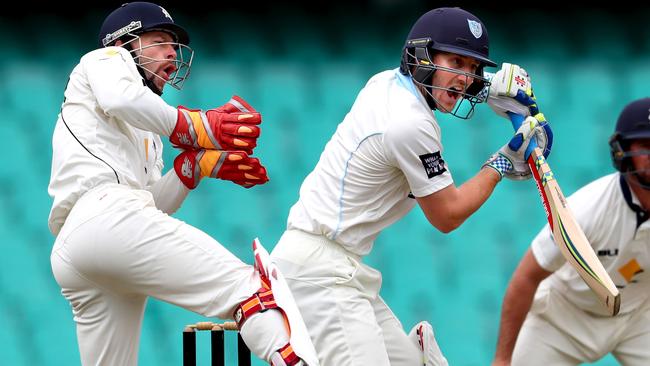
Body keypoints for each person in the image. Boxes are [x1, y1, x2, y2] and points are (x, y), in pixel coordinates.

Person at [269, 7, 551, 366]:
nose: (466, 79)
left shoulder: (387, 83)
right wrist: (501, 163)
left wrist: (494, 90)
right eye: (456, 62)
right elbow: (447, 216)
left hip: (336, 266)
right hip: (320, 277)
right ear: (421, 55)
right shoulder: (410, 123)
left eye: (474, 69)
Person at [48, 2, 318, 365]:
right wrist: (199, 126)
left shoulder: (146, 130)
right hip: (102, 218)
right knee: (248, 289)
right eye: (160, 40)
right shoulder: (102, 61)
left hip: (83, 248)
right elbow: (122, 98)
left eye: (174, 45)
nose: (172, 52)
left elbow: (151, 206)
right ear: (125, 43)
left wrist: (195, 164)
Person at [492, 97, 650, 366]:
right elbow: (526, 278)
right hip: (561, 320)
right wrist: (502, 360)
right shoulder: (587, 208)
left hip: (637, 320)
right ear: (622, 151)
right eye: (646, 146)